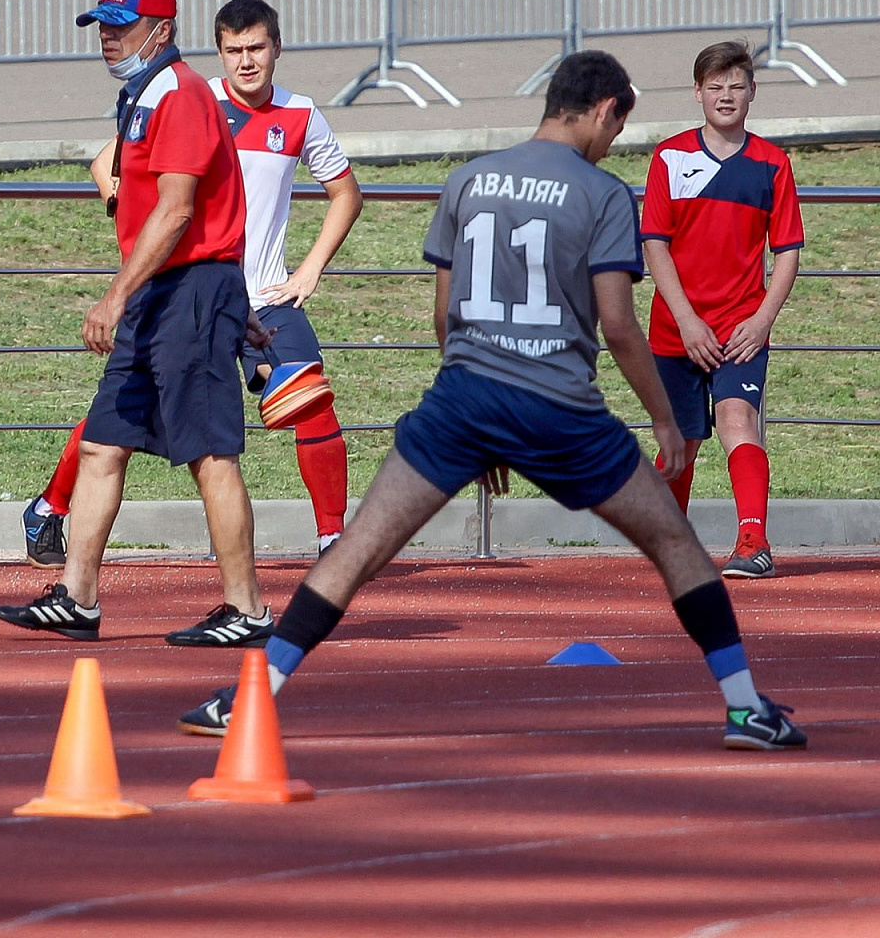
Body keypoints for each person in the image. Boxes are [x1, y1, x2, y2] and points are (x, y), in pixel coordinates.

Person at [174, 51, 806, 752]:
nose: (613, 142)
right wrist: (664, 417)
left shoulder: (468, 178)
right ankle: (745, 707)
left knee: (357, 549)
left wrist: (473, 423)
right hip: (560, 406)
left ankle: (250, 696)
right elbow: (621, 324)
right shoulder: (599, 195)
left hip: (462, 402)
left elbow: (444, 316)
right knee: (673, 542)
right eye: (615, 127)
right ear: (602, 111)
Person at [21, 0, 363, 587]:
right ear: (219, 51)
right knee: (124, 419)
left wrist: (309, 271)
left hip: (260, 297)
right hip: (188, 289)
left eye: (257, 48)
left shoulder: (301, 114)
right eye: (234, 50)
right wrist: (122, 209)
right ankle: (50, 509)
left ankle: (332, 538)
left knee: (309, 397)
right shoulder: (192, 98)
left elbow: (347, 193)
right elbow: (107, 162)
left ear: (276, 48)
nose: (246, 62)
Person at [0, 0, 273, 646]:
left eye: (124, 24)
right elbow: (174, 205)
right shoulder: (144, 94)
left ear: (163, 30)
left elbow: (180, 212)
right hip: (166, 295)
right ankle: (77, 595)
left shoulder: (179, 94)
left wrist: (120, 296)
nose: (110, 38)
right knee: (99, 446)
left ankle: (248, 609)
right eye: (104, 26)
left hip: (185, 293)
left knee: (210, 453)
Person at [641, 40, 802, 581]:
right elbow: (655, 244)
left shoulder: (772, 164)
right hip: (676, 330)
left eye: (737, 85)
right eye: (715, 86)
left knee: (738, 422)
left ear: (753, 93)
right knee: (678, 441)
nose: (726, 95)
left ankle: (752, 541)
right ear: (697, 93)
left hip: (740, 331)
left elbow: (787, 252)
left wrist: (761, 321)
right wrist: (687, 320)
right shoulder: (670, 157)